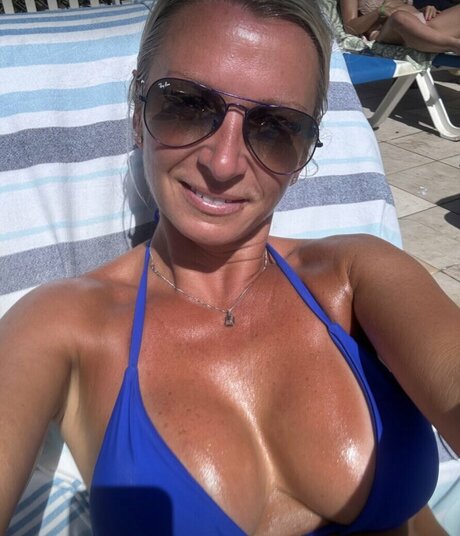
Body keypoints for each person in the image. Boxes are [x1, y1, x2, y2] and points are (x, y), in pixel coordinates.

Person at [1, 0, 459, 534]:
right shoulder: (63, 323)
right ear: (136, 112)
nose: (223, 163)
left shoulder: (355, 277)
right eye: (187, 106)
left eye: (276, 127)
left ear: (307, 152)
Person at [339, 0, 460, 54]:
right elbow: (350, 27)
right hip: (386, 30)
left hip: (425, 24)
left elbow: (406, 8)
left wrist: (425, 9)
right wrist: (379, 12)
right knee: (399, 17)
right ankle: (454, 45)